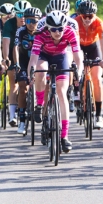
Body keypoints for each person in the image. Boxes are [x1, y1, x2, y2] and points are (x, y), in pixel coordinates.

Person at [28, 10, 83, 153]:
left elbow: (77, 55)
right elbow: (33, 59)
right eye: (54, 29)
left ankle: (64, 136)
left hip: (61, 57)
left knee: (61, 92)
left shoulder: (70, 32)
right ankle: (39, 104)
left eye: (60, 29)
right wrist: (31, 73)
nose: (57, 32)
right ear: (48, 28)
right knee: (41, 71)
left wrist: (79, 71)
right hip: (45, 56)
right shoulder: (41, 34)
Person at [74, 0, 103, 128]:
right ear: (80, 14)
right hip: (79, 47)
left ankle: (98, 115)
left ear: (95, 15)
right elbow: (72, 42)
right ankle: (76, 91)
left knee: (97, 79)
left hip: (94, 47)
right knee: (76, 71)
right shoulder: (75, 22)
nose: (87, 19)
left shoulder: (98, 22)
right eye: (84, 16)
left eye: (90, 16)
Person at [1, 0, 31, 126]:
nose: (22, 18)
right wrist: (6, 58)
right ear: (15, 15)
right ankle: (12, 115)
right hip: (15, 54)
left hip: (30, 54)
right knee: (13, 81)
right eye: (19, 15)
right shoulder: (9, 24)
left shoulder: (33, 23)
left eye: (25, 15)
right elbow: (6, 43)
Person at [14, 7, 42, 134]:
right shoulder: (21, 31)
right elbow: (15, 47)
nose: (31, 24)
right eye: (29, 21)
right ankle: (21, 119)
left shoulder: (42, 31)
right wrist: (17, 63)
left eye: (34, 21)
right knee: (22, 87)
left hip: (38, 61)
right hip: (24, 61)